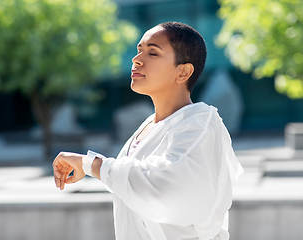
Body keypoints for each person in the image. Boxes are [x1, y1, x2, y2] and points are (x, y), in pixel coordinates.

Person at [52, 21, 243, 240]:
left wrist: (92, 165)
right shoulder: (148, 126)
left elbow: (163, 188)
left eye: (153, 53)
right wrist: (93, 168)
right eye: (139, 50)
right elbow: (135, 186)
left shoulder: (200, 122)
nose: (137, 59)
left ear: (183, 72)